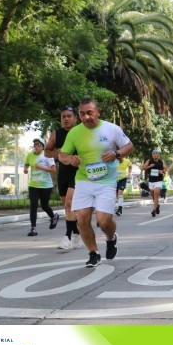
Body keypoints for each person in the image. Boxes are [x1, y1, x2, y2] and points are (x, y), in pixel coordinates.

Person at [58, 98, 134, 268]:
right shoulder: (74, 133)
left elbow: (129, 146)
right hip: (84, 180)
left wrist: (116, 154)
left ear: (98, 112)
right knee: (82, 219)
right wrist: (70, 159)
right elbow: (62, 155)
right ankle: (93, 253)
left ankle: (111, 238)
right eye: (82, 114)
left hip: (107, 181)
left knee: (103, 221)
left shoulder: (112, 129)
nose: (86, 117)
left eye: (89, 113)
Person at [45, 105, 81, 250]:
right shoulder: (56, 134)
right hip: (63, 173)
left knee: (69, 203)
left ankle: (67, 237)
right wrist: (57, 153)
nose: (66, 119)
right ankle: (77, 233)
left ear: (75, 118)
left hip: (78, 173)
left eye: (69, 116)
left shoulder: (81, 132)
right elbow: (47, 151)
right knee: (67, 206)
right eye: (63, 117)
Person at [23, 137, 59, 236]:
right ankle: (33, 228)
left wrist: (41, 167)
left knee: (44, 205)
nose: (36, 147)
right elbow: (26, 163)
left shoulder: (47, 155)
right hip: (33, 185)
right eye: (35, 145)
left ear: (43, 147)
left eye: (38, 145)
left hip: (45, 185)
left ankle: (53, 217)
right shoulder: (30, 155)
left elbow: (53, 170)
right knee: (33, 206)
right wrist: (25, 169)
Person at [141, 149, 165, 217]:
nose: (155, 154)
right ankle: (157, 206)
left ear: (158, 154)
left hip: (159, 180)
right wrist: (149, 166)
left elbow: (165, 168)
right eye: (154, 153)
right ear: (152, 155)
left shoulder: (161, 161)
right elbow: (143, 168)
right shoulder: (149, 161)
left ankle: (154, 210)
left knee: (156, 193)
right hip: (151, 181)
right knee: (153, 195)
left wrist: (162, 171)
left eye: (156, 153)